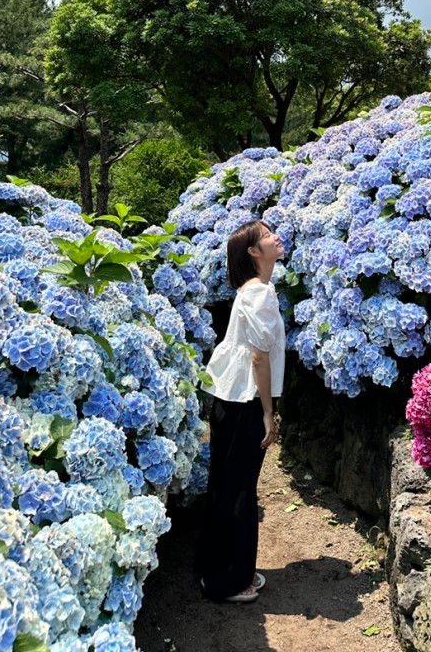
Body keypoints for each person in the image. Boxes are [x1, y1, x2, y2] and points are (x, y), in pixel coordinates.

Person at [194, 219, 286, 603]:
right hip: (246, 399)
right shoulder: (259, 294)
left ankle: (222, 569)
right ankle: (227, 581)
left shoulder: (255, 290)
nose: (275, 237)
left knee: (228, 485)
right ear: (253, 252)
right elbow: (259, 357)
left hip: (230, 397)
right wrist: (268, 413)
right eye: (266, 236)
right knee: (239, 491)